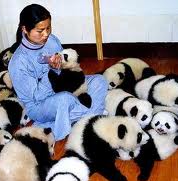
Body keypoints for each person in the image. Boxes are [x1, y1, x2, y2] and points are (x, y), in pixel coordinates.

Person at [8, 4, 108, 141]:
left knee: (99, 80)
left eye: (48, 28)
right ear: (24, 29)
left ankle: (74, 121)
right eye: (40, 30)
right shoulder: (19, 62)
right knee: (65, 99)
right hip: (39, 105)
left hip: (61, 86)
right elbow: (36, 97)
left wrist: (63, 67)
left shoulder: (52, 40)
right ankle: (90, 118)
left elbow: (65, 70)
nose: (46, 34)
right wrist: (52, 71)